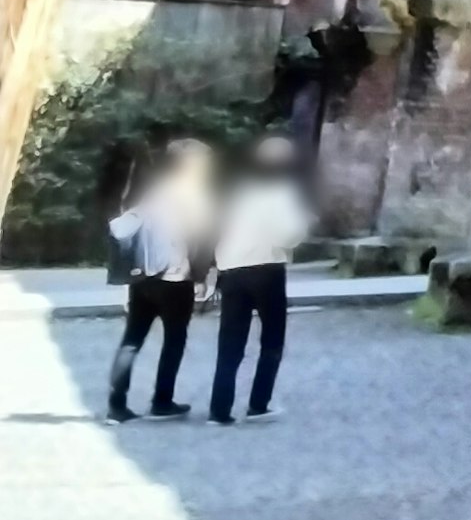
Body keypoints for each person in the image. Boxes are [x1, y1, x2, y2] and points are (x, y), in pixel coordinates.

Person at [203, 134, 315, 425]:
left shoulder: (238, 190)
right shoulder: (282, 192)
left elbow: (217, 230)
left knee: (230, 342)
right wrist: (305, 220)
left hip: (232, 270)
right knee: (272, 339)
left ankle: (219, 409)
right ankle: (258, 404)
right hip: (267, 269)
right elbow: (287, 236)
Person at [102, 139, 216, 422]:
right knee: (174, 340)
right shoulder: (193, 194)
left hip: (143, 277)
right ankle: (161, 401)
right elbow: (199, 238)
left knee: (132, 339)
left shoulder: (154, 190)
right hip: (175, 277)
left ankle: (116, 406)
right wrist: (201, 276)